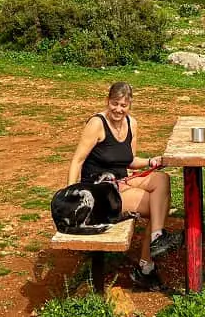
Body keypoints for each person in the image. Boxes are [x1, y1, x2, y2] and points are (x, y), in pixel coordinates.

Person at [67, 82, 181, 289]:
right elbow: (77, 160)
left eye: (123, 105)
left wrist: (149, 161)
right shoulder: (97, 124)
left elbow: (128, 160)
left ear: (130, 105)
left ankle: (156, 238)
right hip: (99, 191)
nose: (118, 109)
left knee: (162, 180)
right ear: (107, 101)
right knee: (159, 206)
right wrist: (70, 195)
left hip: (120, 182)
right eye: (114, 103)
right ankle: (146, 266)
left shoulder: (132, 124)